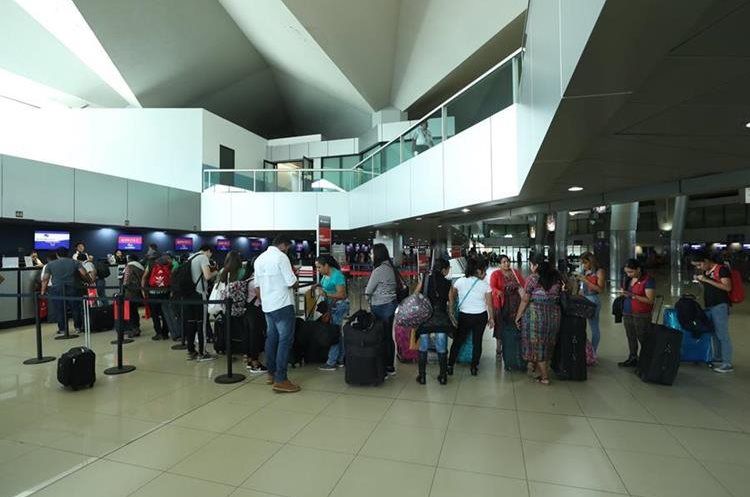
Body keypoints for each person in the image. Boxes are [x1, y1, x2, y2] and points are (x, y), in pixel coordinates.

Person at [254, 234, 300, 393]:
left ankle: (271, 374)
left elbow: (257, 286)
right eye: (288, 248)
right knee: (285, 341)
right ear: (284, 245)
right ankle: (281, 379)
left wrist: (265, 300)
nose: (287, 251)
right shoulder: (281, 258)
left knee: (272, 338)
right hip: (283, 305)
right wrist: (296, 278)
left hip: (268, 306)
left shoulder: (259, 259)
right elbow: (291, 282)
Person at [515, 255, 562, 385]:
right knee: (548, 343)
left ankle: (545, 377)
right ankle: (540, 371)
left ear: (535, 266)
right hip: (554, 315)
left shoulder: (532, 278)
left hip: (536, 315)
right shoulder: (556, 278)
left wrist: (518, 316)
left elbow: (525, 299)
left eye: (531, 265)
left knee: (538, 344)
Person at [448, 257, 494, 376]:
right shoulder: (485, 285)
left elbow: (451, 295)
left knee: (458, 341)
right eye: (484, 271)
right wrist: (491, 318)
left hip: (465, 316)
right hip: (480, 317)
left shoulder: (460, 282)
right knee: (477, 342)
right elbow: (489, 304)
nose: (485, 274)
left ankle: (450, 365)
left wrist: (451, 309)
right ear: (478, 271)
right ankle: (474, 367)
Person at [693, 251, 734, 373]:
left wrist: (706, 279)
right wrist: (701, 281)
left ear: (706, 261)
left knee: (722, 334)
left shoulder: (722, 270)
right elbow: (709, 288)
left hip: (720, 305)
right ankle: (718, 357)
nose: (698, 267)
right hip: (710, 306)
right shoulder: (706, 271)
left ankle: (727, 363)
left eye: (699, 264)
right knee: (714, 334)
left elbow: (727, 287)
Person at [414, 259, 452, 385]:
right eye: (448, 269)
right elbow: (450, 303)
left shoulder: (425, 279)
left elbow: (415, 295)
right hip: (441, 318)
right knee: (441, 347)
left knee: (423, 346)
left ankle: (422, 376)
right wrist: (449, 314)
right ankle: (442, 377)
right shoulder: (448, 283)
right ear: (443, 270)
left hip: (426, 317)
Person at [364, 243, 399, 376]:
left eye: (372, 253)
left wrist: (368, 300)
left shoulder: (378, 270)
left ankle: (382, 365)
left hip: (380, 305)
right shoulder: (391, 267)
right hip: (391, 304)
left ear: (377, 254)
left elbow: (368, 291)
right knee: (389, 337)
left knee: (380, 336)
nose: (371, 256)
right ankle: (390, 366)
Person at [40, 247, 90, 336]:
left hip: (57, 289)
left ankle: (62, 329)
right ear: (68, 253)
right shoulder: (75, 262)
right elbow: (84, 273)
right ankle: (78, 327)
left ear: (57, 255)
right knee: (75, 308)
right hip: (73, 287)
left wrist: (43, 291)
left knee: (59, 309)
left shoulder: (50, 264)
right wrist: (89, 281)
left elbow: (45, 279)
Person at [617, 259, 656, 367]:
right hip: (628, 311)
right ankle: (633, 357)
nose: (628, 274)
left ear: (638, 269)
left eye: (631, 272)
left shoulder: (648, 280)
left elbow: (650, 300)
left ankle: (648, 359)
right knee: (631, 336)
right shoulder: (628, 280)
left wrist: (632, 296)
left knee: (642, 336)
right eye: (627, 272)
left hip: (641, 313)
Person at [183, 244, 218, 361]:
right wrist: (216, 272)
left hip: (188, 295)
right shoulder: (203, 257)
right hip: (199, 294)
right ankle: (202, 353)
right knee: (201, 324)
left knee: (191, 323)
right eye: (210, 254)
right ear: (208, 251)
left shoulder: (190, 258)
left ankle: (191, 350)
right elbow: (207, 276)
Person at [317, 255, 350, 371]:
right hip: (331, 307)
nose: (318, 270)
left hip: (339, 306)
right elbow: (326, 286)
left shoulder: (337, 275)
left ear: (327, 265)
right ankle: (340, 358)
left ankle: (331, 362)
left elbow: (342, 294)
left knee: (333, 333)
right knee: (336, 334)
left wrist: (326, 295)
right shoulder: (326, 275)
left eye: (320, 267)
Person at [490, 255, 525, 360]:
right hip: (502, 304)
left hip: (515, 304)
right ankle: (498, 349)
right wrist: (498, 291)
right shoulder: (496, 274)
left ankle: (512, 348)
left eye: (508, 261)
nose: (507, 264)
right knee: (500, 326)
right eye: (504, 262)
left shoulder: (515, 272)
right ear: (499, 264)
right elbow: (492, 287)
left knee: (514, 324)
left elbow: (523, 284)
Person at [576, 252, 606, 353]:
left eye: (585, 263)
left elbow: (600, 289)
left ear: (591, 261)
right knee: (580, 326)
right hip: (583, 298)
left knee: (594, 326)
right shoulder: (584, 271)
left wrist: (586, 281)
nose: (584, 265)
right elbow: (581, 288)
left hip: (593, 299)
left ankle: (593, 351)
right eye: (582, 263)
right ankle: (585, 350)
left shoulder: (599, 272)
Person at [141, 253, 172, 341]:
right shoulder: (168, 264)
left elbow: (144, 277)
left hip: (153, 293)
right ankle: (165, 333)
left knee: (155, 314)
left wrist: (143, 290)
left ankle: (158, 333)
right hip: (165, 293)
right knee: (165, 313)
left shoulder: (150, 264)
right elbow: (172, 277)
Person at [243, 259, 267, 373]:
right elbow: (261, 296)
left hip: (248, 309)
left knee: (249, 335)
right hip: (256, 310)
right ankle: (255, 364)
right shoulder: (256, 280)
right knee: (255, 336)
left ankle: (249, 360)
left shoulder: (247, 278)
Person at [122, 254, 145, 338]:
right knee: (134, 310)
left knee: (131, 311)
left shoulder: (129, 266)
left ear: (130, 259)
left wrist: (123, 287)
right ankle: (136, 327)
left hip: (130, 292)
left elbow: (126, 280)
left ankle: (134, 329)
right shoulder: (141, 267)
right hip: (138, 291)